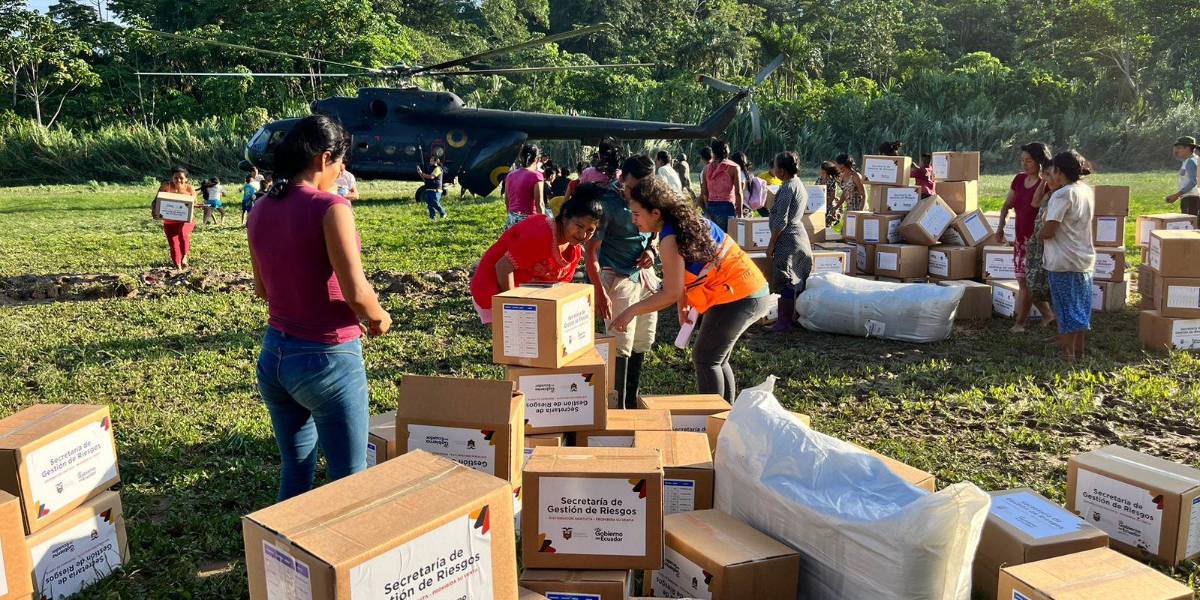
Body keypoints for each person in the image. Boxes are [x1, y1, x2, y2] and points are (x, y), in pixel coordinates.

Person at [247, 114, 392, 500]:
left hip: (274, 356)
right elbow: (357, 292)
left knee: (296, 470)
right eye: (341, 163)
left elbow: (263, 289)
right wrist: (379, 318)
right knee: (350, 478)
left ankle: (282, 555)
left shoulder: (261, 207)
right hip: (328, 360)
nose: (342, 172)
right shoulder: (332, 208)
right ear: (324, 158)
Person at [611, 176, 770, 402]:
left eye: (636, 214)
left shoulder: (670, 238)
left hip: (740, 296)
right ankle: (725, 418)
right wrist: (683, 305)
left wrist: (630, 311)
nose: (633, 220)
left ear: (655, 212)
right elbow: (682, 280)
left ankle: (714, 422)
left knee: (707, 359)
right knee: (716, 358)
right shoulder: (681, 223)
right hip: (741, 290)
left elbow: (670, 292)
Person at [470, 187, 605, 323]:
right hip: (494, 290)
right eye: (579, 226)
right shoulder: (542, 234)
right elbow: (503, 267)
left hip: (525, 300)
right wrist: (515, 311)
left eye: (590, 230)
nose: (583, 235)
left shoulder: (573, 249)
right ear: (565, 217)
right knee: (513, 340)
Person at [586, 155, 658, 408]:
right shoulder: (608, 205)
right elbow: (591, 252)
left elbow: (656, 234)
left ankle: (631, 401)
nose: (633, 192)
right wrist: (599, 290)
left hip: (645, 278)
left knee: (642, 341)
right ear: (621, 178)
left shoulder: (653, 199)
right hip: (617, 276)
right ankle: (618, 409)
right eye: (630, 186)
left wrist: (652, 250)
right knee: (620, 345)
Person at [1039, 150, 1095, 362]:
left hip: (1063, 260)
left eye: (1051, 171)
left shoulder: (1062, 195)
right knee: (1080, 309)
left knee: (1065, 311)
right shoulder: (1084, 190)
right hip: (1084, 259)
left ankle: (1067, 355)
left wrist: (1038, 234)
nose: (1049, 175)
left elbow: (1050, 229)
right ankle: (1079, 352)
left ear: (1059, 171)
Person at [998, 142, 1056, 332]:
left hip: (1036, 242)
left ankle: (1020, 323)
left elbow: (1037, 206)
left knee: (1028, 283)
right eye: (1022, 160)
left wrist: (1043, 181)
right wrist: (1000, 227)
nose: (1025, 164)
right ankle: (1048, 315)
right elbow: (1007, 204)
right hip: (1020, 239)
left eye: (1029, 160)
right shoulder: (1018, 180)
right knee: (1024, 281)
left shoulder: (1047, 185)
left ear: (1039, 161)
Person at [766, 151, 813, 332]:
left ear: (783, 171)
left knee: (785, 278)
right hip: (798, 237)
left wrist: (771, 244)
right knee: (796, 279)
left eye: (775, 166)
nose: (773, 169)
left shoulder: (787, 188)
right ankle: (793, 318)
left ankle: (784, 322)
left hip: (788, 240)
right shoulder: (798, 184)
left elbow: (781, 221)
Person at [152, 166, 198, 269]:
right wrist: (154, 211)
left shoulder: (190, 188)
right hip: (169, 221)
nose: (178, 180)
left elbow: (194, 203)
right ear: (172, 178)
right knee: (173, 244)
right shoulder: (166, 186)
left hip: (186, 220)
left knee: (182, 233)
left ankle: (184, 257)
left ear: (186, 179)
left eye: (181, 178)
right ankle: (177, 266)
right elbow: (155, 201)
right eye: (175, 178)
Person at [701, 139, 742, 231]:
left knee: (714, 238)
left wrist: (707, 208)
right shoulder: (734, 167)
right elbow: (738, 192)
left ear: (713, 152)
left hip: (711, 206)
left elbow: (704, 192)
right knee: (727, 238)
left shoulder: (706, 169)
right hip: (727, 207)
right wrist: (740, 214)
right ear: (727, 151)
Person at [503, 145, 546, 229]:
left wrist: (511, 216)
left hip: (512, 219)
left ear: (521, 158)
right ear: (537, 159)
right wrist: (544, 223)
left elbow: (507, 200)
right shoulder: (537, 176)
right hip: (529, 221)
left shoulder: (510, 175)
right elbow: (539, 204)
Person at [1166, 136, 1199, 217]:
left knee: (1190, 226)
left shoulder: (1191, 162)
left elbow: (1193, 182)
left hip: (1192, 200)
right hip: (1192, 198)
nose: (1176, 150)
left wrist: (1176, 195)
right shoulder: (1191, 160)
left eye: (1179, 148)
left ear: (1187, 148)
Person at [731, 151, 767, 217]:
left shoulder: (740, 174)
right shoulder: (746, 173)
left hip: (742, 207)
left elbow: (739, 192)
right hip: (747, 207)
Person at [417, 155, 446, 220]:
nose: (430, 162)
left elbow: (431, 177)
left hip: (436, 189)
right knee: (430, 205)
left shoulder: (438, 168)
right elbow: (425, 178)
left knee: (435, 203)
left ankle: (443, 213)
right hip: (429, 189)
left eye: (431, 160)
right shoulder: (430, 169)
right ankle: (432, 218)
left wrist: (422, 173)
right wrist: (420, 173)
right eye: (430, 160)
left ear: (436, 161)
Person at [816, 161, 841, 228]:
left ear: (826, 170)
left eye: (822, 169)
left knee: (827, 222)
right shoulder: (819, 180)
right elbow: (814, 191)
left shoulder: (832, 181)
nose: (820, 171)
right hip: (819, 204)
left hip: (828, 205)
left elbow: (832, 197)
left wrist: (825, 205)